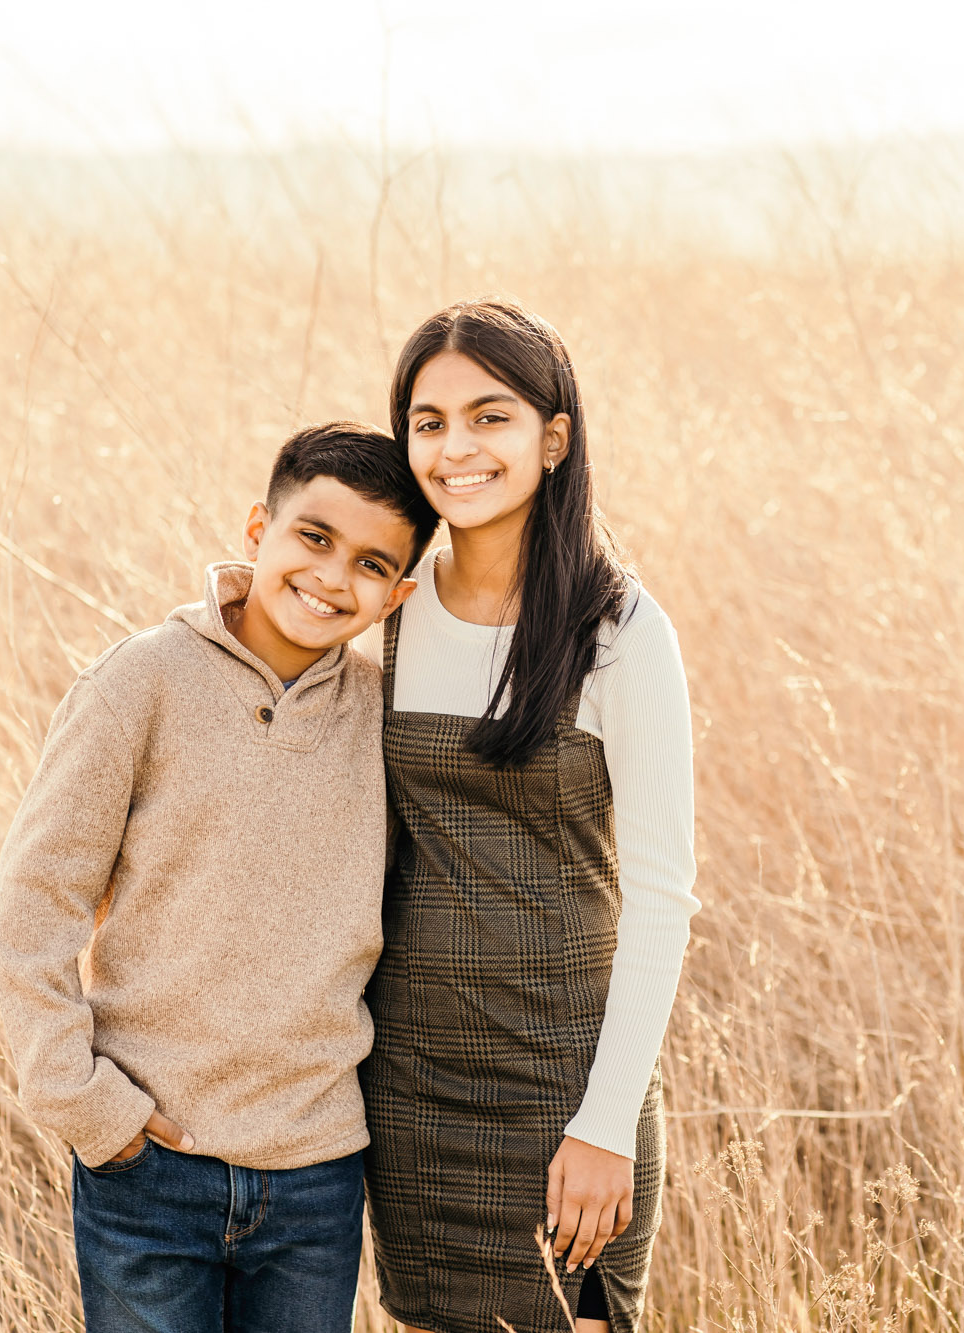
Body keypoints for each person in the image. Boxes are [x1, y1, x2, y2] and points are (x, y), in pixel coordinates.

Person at [0, 422, 437, 1333]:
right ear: (256, 530)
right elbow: (36, 902)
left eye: (367, 563)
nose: (329, 576)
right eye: (313, 538)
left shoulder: (386, 719)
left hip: (316, 1172)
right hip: (149, 1164)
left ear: (398, 593)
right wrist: (84, 1104)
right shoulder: (140, 683)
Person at [363, 300, 700, 1333]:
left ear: (552, 438)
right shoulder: (387, 606)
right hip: (411, 1092)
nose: (455, 448)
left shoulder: (620, 630)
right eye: (428, 422)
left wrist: (603, 1126)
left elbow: (659, 898)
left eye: (488, 417)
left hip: (567, 1093)